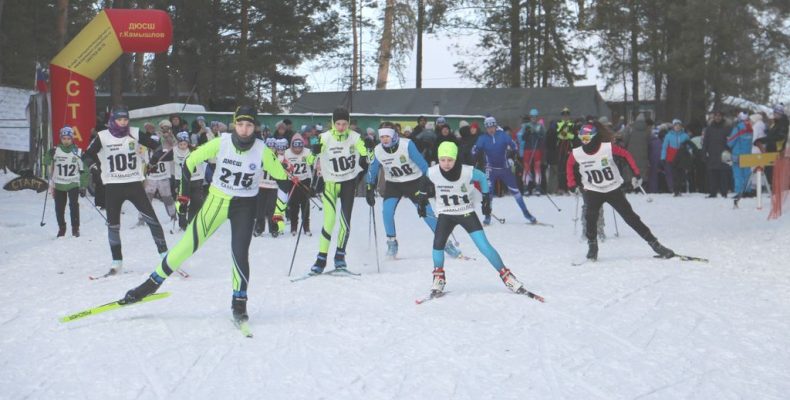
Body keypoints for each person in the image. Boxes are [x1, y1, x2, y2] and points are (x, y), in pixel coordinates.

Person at [121, 106, 289, 324]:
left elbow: (284, 182)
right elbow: (190, 162)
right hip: (216, 202)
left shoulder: (262, 149)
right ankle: (149, 286)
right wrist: (183, 196)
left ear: (254, 126)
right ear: (234, 123)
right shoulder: (222, 142)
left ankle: (239, 303)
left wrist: (278, 214)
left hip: (245, 206)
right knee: (187, 245)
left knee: (240, 254)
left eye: (249, 125)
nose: (245, 130)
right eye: (240, 124)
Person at [418, 142, 534, 296]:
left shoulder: (467, 171)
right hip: (446, 214)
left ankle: (507, 276)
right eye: (443, 159)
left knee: (484, 246)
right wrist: (421, 198)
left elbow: (482, 178)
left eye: (450, 160)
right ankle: (438, 278)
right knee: (438, 245)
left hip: (465, 212)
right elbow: (423, 181)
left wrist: (486, 198)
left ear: (456, 158)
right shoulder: (432, 172)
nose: (446, 164)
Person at [567, 121, 675, 261]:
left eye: (587, 138)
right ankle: (592, 246)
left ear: (594, 137)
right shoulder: (577, 153)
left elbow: (626, 155)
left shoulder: (607, 148)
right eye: (582, 138)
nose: (584, 142)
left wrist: (636, 174)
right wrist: (571, 184)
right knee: (590, 218)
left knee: (631, 218)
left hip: (612, 188)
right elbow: (569, 165)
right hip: (592, 189)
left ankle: (655, 244)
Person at [82, 106, 168, 274]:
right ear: (113, 120)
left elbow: (158, 146)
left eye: (125, 120)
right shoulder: (102, 136)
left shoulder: (134, 133)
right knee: (113, 225)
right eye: (119, 120)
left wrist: (153, 162)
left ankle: (165, 255)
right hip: (113, 187)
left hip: (134, 184)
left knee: (153, 221)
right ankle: (116, 261)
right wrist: (94, 168)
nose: (123, 123)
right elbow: (86, 155)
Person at [365, 123, 462, 259]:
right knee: (387, 211)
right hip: (394, 184)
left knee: (426, 214)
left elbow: (422, 163)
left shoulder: (407, 145)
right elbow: (373, 169)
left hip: (414, 183)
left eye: (387, 136)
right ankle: (392, 243)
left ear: (394, 135)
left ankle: (445, 243)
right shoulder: (378, 150)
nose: (384, 139)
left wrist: (428, 180)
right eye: (382, 137)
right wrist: (369, 186)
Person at [308, 107, 369, 274]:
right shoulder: (324, 137)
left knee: (345, 222)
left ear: (348, 123)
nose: (341, 127)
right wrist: (314, 152)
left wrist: (368, 149)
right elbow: (310, 160)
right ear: (333, 123)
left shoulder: (355, 137)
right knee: (329, 220)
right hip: (330, 184)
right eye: (338, 123)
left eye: (344, 123)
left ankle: (340, 257)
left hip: (348, 183)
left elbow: (367, 155)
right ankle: (321, 258)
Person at [472, 116, 538, 225]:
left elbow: (514, 146)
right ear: (485, 128)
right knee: (488, 193)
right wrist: (474, 152)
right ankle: (487, 216)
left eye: (492, 126)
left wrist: (511, 157)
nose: (490, 129)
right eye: (488, 128)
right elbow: (475, 150)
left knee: (516, 191)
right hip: (490, 169)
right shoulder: (482, 138)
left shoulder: (503, 136)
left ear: (495, 125)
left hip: (504, 168)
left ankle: (527, 214)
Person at [152, 131, 206, 231]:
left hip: (196, 179)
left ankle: (192, 221)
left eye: (185, 144)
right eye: (180, 144)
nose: (183, 146)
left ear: (188, 143)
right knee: (182, 201)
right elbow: (161, 155)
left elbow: (208, 155)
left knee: (197, 201)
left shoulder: (195, 149)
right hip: (181, 180)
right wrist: (153, 161)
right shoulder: (174, 150)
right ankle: (182, 223)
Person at [44, 126, 88, 237]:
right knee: (59, 208)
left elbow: (84, 170)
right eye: (64, 138)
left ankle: (75, 228)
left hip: (73, 183)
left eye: (69, 138)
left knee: (74, 206)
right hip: (59, 184)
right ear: (60, 138)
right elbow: (46, 161)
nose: (66, 141)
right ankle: (62, 228)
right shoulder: (56, 151)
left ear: (72, 138)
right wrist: (49, 153)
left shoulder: (77, 151)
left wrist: (83, 186)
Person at [136, 133, 176, 227]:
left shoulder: (165, 151)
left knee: (168, 199)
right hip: (150, 179)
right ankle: (142, 219)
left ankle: (173, 216)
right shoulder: (143, 150)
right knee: (146, 199)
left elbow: (173, 148)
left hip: (163, 178)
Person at [283, 133, 316, 236]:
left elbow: (313, 163)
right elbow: (283, 167)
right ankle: (294, 227)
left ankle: (306, 227)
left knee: (305, 204)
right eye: (295, 146)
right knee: (294, 205)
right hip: (292, 181)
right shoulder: (287, 153)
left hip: (305, 180)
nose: (297, 149)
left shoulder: (307, 152)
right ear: (292, 145)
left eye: (300, 146)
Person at [660, 119, 690, 196]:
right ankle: (672, 188)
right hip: (671, 157)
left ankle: (679, 188)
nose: (677, 127)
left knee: (680, 174)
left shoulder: (685, 136)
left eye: (679, 125)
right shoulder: (668, 135)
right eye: (676, 125)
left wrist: (689, 156)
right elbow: (664, 147)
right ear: (673, 127)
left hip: (681, 157)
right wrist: (663, 157)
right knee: (671, 174)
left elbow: (689, 147)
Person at [728, 112, 754, 198]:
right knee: (747, 173)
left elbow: (731, 141)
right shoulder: (750, 128)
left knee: (738, 174)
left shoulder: (738, 127)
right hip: (748, 154)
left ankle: (739, 191)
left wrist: (727, 142)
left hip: (738, 155)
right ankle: (748, 191)